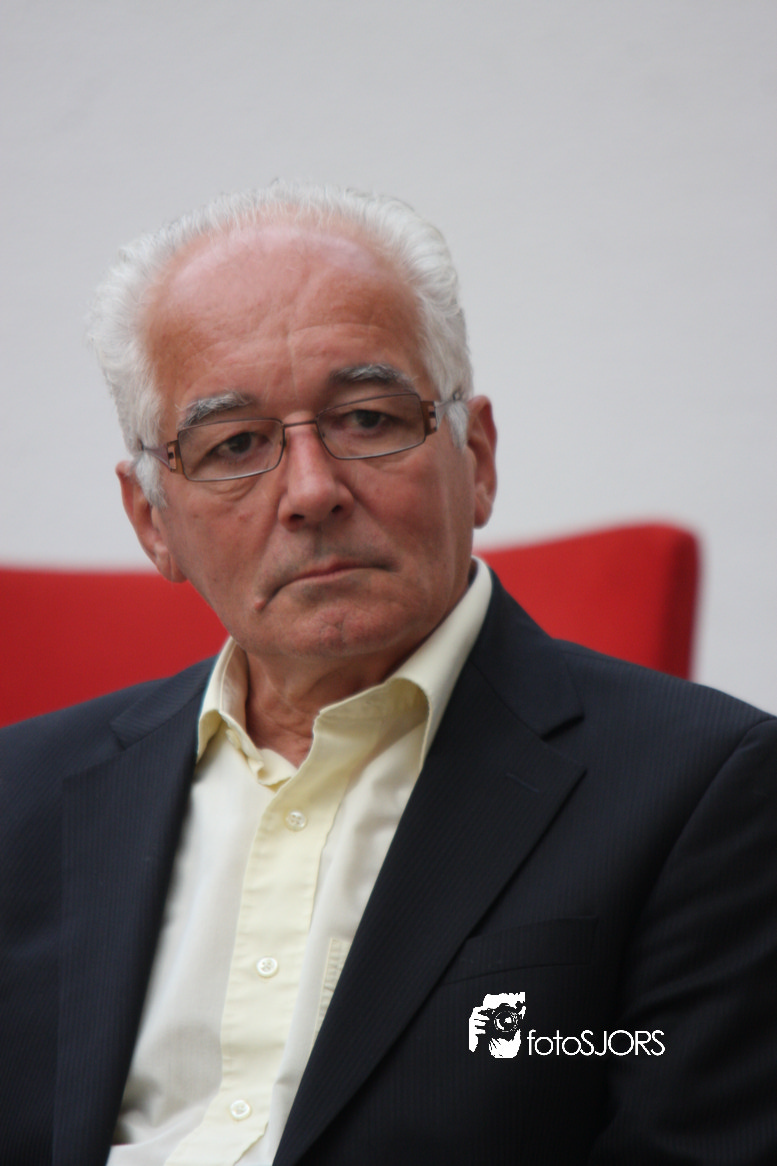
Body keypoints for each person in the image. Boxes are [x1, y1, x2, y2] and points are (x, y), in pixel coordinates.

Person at [1, 182, 776, 1166]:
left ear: (476, 456)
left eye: (367, 418)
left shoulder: (707, 790)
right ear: (154, 521)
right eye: (234, 444)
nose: (312, 491)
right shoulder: (19, 796)